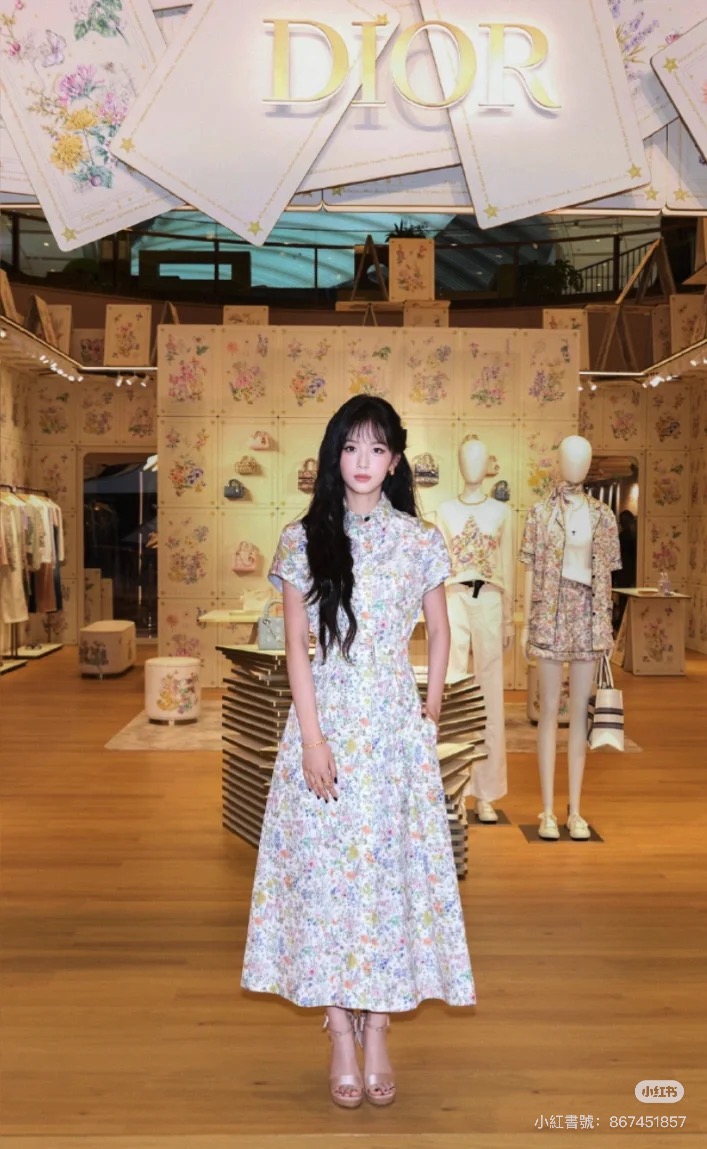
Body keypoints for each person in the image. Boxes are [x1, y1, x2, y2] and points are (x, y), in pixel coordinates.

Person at [241, 395, 475, 1109]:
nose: (363, 461)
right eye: (351, 447)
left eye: (376, 448)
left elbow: (439, 629)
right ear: (333, 456)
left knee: (385, 877)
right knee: (327, 878)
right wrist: (312, 739)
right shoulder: (301, 539)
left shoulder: (419, 540)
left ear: (395, 460)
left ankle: (378, 1027)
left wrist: (430, 706)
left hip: (394, 732)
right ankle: (339, 1027)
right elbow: (295, 647)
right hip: (328, 725)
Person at [520, 435, 620, 841]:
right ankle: (546, 810)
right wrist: (526, 623)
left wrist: (606, 628)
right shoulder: (540, 513)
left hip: (588, 617)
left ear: (590, 464)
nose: (576, 465)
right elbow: (529, 569)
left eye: (583, 459)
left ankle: (575, 810)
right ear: (559, 462)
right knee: (548, 712)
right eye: (569, 458)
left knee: (579, 714)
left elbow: (606, 576)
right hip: (549, 615)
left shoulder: (603, 516)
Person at [437, 437, 514, 824]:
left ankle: (486, 792)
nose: (473, 464)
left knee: (490, 696)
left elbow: (507, 564)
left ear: (488, 465)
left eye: (479, 458)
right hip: (453, 599)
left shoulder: (501, 511)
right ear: (458, 462)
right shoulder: (444, 510)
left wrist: (508, 617)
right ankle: (453, 788)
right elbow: (436, 567)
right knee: (452, 692)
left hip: (490, 600)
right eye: (467, 457)